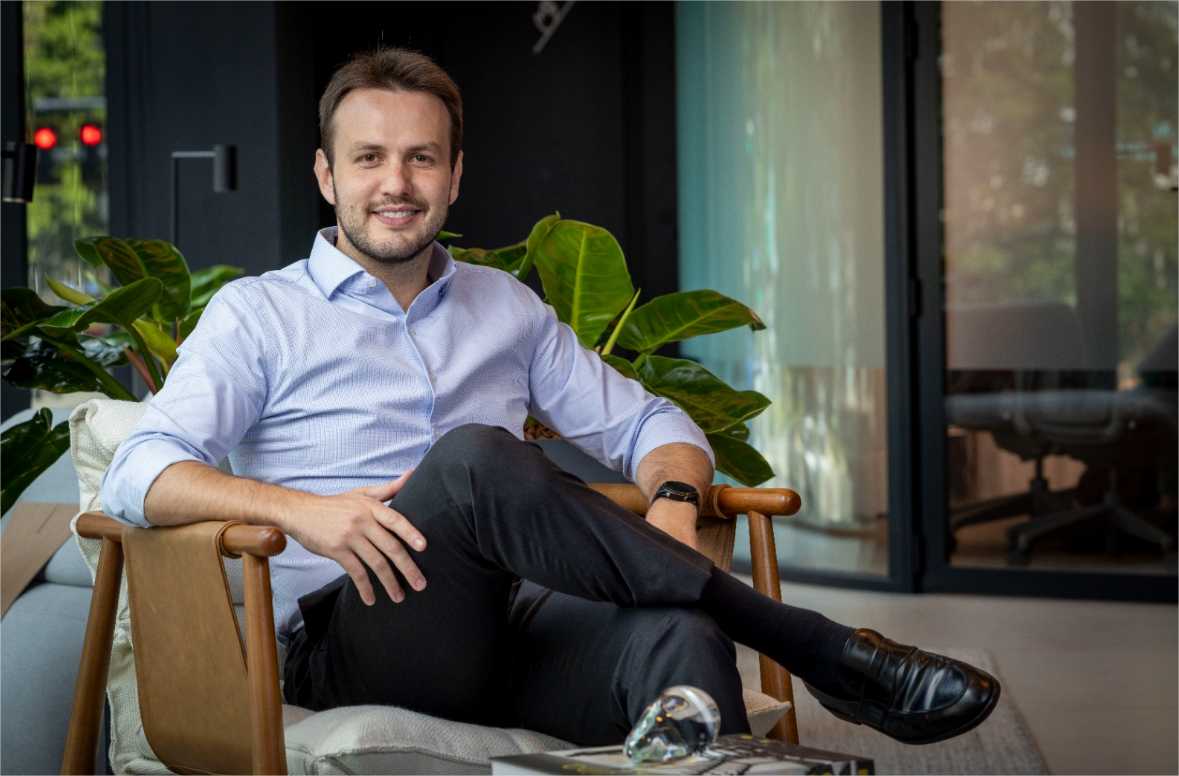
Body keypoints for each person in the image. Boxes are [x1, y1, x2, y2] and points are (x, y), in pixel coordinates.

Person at [101, 48, 999, 747]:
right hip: (355, 639)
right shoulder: (258, 313)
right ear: (327, 176)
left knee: (679, 631)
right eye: (368, 158)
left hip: (515, 630)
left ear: (454, 176)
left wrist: (674, 503)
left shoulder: (506, 308)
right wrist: (302, 512)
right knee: (474, 461)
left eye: (421, 159)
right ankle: (815, 647)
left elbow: (652, 422)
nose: (396, 184)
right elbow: (137, 471)